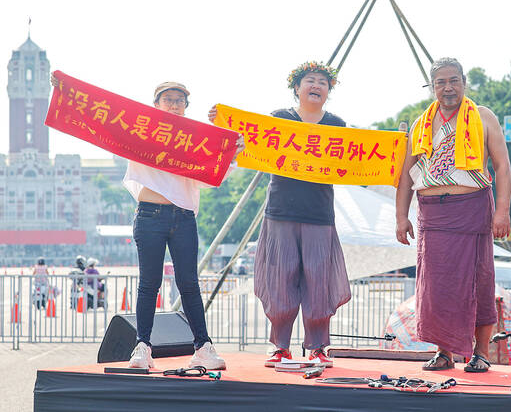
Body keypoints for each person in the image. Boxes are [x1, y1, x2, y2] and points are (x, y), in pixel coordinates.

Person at [211, 62, 351, 368]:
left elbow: (351, 161)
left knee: (319, 280)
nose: (316, 86)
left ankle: (318, 347)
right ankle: (280, 346)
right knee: (280, 278)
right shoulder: (279, 119)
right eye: (310, 80)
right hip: (280, 211)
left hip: (319, 213)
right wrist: (222, 124)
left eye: (323, 82)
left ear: (329, 91)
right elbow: (249, 144)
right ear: (297, 87)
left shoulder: (337, 125)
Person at [395, 57, 511, 373]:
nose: (448, 88)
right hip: (432, 215)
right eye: (441, 82)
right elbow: (405, 174)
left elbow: (502, 166)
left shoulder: (483, 116)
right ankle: (443, 352)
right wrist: (401, 216)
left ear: (464, 82)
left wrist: (502, 211)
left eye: (453, 81)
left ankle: (481, 352)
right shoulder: (421, 124)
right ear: (432, 87)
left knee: (479, 281)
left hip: (472, 209)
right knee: (436, 288)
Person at [120, 81, 243, 370]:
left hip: (184, 217)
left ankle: (203, 347)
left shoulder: (195, 139)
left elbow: (210, 175)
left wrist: (231, 150)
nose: (174, 104)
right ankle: (142, 347)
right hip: (150, 215)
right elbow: (106, 125)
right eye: (168, 99)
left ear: (186, 106)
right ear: (156, 104)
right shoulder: (142, 132)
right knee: (149, 284)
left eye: (180, 100)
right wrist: (67, 91)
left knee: (189, 283)